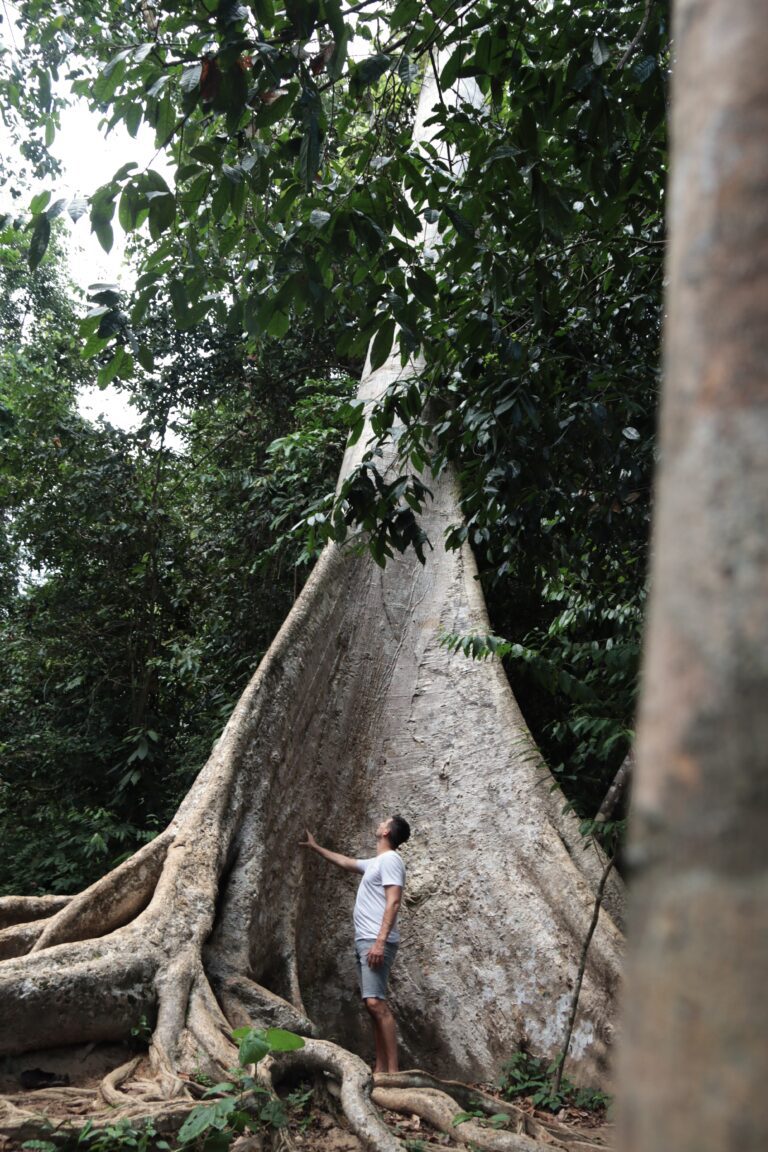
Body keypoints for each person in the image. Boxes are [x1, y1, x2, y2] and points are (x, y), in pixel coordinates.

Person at [300, 815, 411, 1073]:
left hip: (375, 940)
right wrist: (316, 848)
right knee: (371, 1004)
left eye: (385, 821)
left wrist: (380, 943)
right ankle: (380, 1069)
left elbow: (393, 901)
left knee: (375, 1003)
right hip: (366, 940)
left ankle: (393, 1073)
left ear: (387, 832)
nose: (380, 823)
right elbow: (346, 862)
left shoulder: (392, 860)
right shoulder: (377, 862)